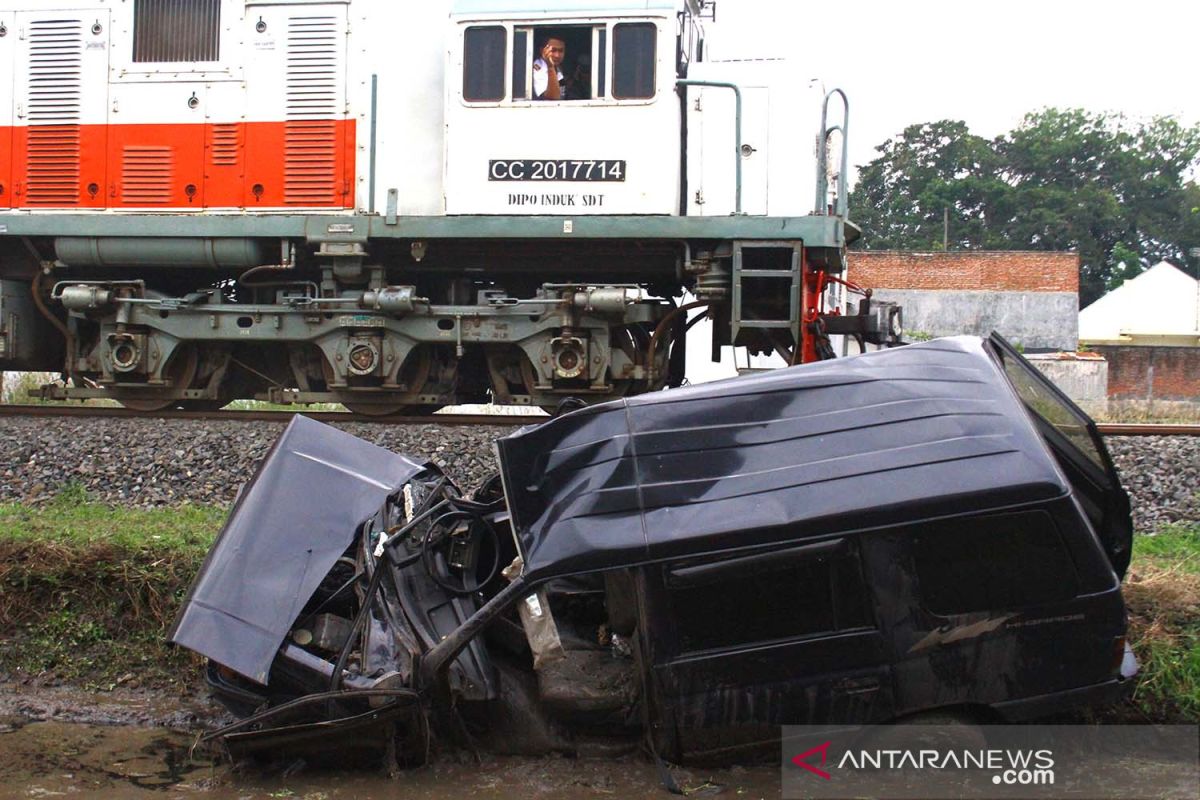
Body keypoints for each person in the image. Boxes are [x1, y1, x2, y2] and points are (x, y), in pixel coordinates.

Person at [533, 36, 566, 100]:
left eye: (561, 51)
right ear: (543, 50)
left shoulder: (559, 67)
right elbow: (552, 98)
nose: (557, 55)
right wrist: (550, 66)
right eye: (553, 50)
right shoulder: (537, 68)